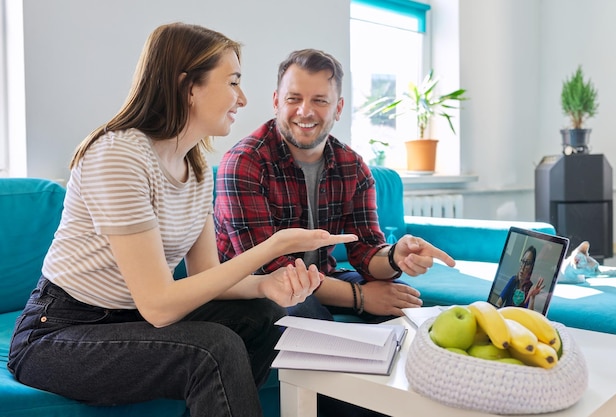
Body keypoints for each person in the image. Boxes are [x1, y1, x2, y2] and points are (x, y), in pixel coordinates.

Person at [7, 24, 357, 417]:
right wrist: (274, 247)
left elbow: (205, 275)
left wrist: (266, 285)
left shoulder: (196, 168)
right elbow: (158, 306)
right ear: (188, 85)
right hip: (59, 333)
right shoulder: (119, 154)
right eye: (233, 82)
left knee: (266, 318)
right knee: (213, 348)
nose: (242, 98)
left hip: (131, 322)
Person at [214, 48, 455, 324]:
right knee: (306, 315)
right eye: (294, 99)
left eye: (320, 100)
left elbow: (365, 249)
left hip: (320, 278)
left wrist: (395, 256)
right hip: (253, 291)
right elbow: (267, 269)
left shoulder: (352, 165)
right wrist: (361, 297)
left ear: (338, 108)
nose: (305, 111)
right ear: (276, 101)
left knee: (404, 305)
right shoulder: (244, 162)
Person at [496, 246, 545, 310]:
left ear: (531, 267)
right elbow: (499, 302)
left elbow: (529, 315)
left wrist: (532, 297)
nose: (523, 266)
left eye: (527, 263)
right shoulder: (513, 280)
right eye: (523, 261)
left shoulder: (531, 288)